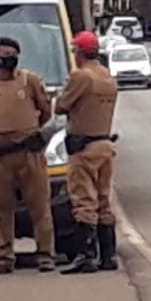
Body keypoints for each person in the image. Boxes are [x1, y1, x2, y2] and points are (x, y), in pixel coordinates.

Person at [0, 36, 57, 274]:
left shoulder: (30, 81)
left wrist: (30, 131)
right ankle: (3, 257)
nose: (9, 59)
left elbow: (46, 111)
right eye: (4, 54)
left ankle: (45, 255)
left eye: (13, 54)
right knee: (1, 209)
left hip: (29, 153)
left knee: (39, 206)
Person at [56, 30, 120, 274]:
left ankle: (86, 255)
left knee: (84, 200)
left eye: (74, 51)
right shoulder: (107, 77)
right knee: (104, 199)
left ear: (80, 52)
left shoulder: (81, 77)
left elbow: (61, 106)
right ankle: (108, 255)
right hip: (104, 143)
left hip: (83, 147)